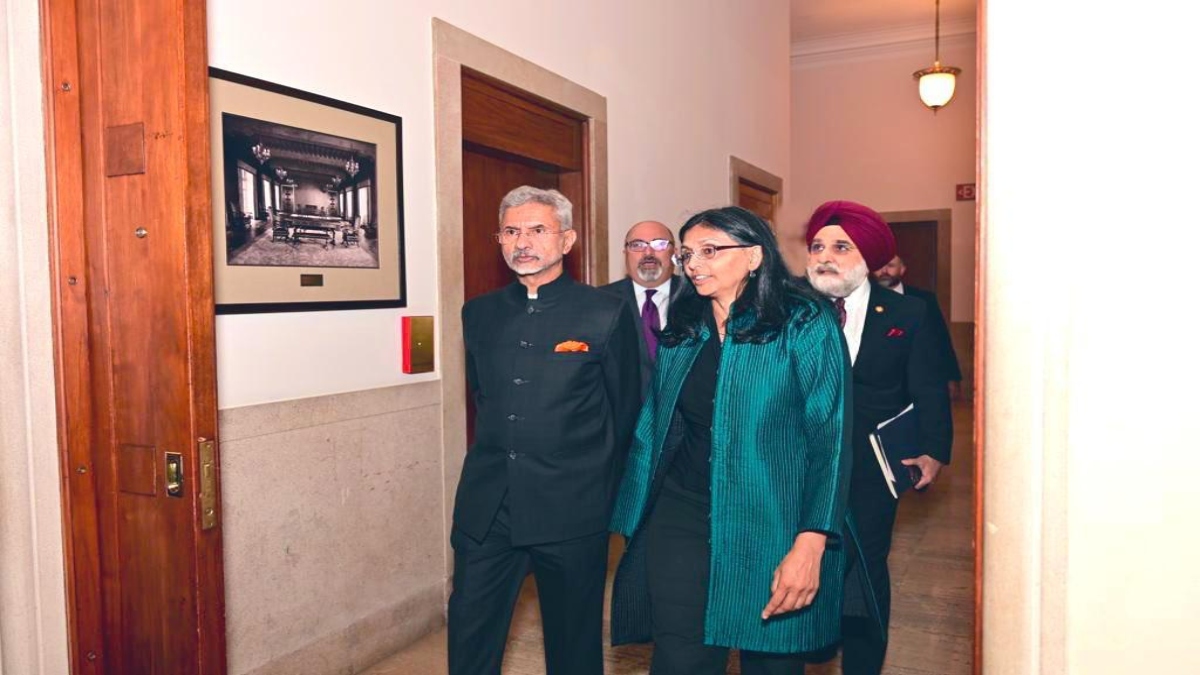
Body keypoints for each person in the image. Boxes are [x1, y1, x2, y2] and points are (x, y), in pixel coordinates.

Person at [610, 206, 853, 674]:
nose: (694, 264)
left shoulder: (804, 322)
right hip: (682, 510)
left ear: (754, 256)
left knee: (771, 661)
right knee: (679, 658)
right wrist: (632, 511)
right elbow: (654, 425)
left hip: (774, 516)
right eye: (687, 254)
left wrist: (812, 539)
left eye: (710, 251)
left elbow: (831, 437)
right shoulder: (684, 327)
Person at [448, 186, 641, 675]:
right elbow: (483, 399)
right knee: (470, 633)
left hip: (572, 508)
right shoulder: (479, 313)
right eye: (511, 231)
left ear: (568, 239)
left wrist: (608, 500)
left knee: (573, 644)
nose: (522, 242)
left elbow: (625, 415)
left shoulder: (606, 312)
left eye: (537, 230)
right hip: (488, 505)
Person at [803, 201, 953, 675]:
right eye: (817, 246)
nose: (825, 256)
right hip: (802, 462)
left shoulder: (908, 311)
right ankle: (813, 641)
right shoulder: (795, 310)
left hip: (873, 466)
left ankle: (863, 663)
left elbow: (928, 384)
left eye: (840, 247)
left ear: (867, 258)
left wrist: (933, 449)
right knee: (808, 559)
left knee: (864, 565)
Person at [601, 220, 679, 393]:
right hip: (623, 416)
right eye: (637, 245)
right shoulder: (600, 301)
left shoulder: (698, 298)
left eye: (660, 244)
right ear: (625, 254)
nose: (648, 252)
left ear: (674, 253)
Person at [874, 255, 963, 398]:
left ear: (902, 270)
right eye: (879, 266)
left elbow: (941, 338)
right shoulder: (863, 300)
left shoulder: (924, 299)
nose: (884, 271)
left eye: (890, 266)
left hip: (921, 382)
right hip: (878, 386)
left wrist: (952, 376)